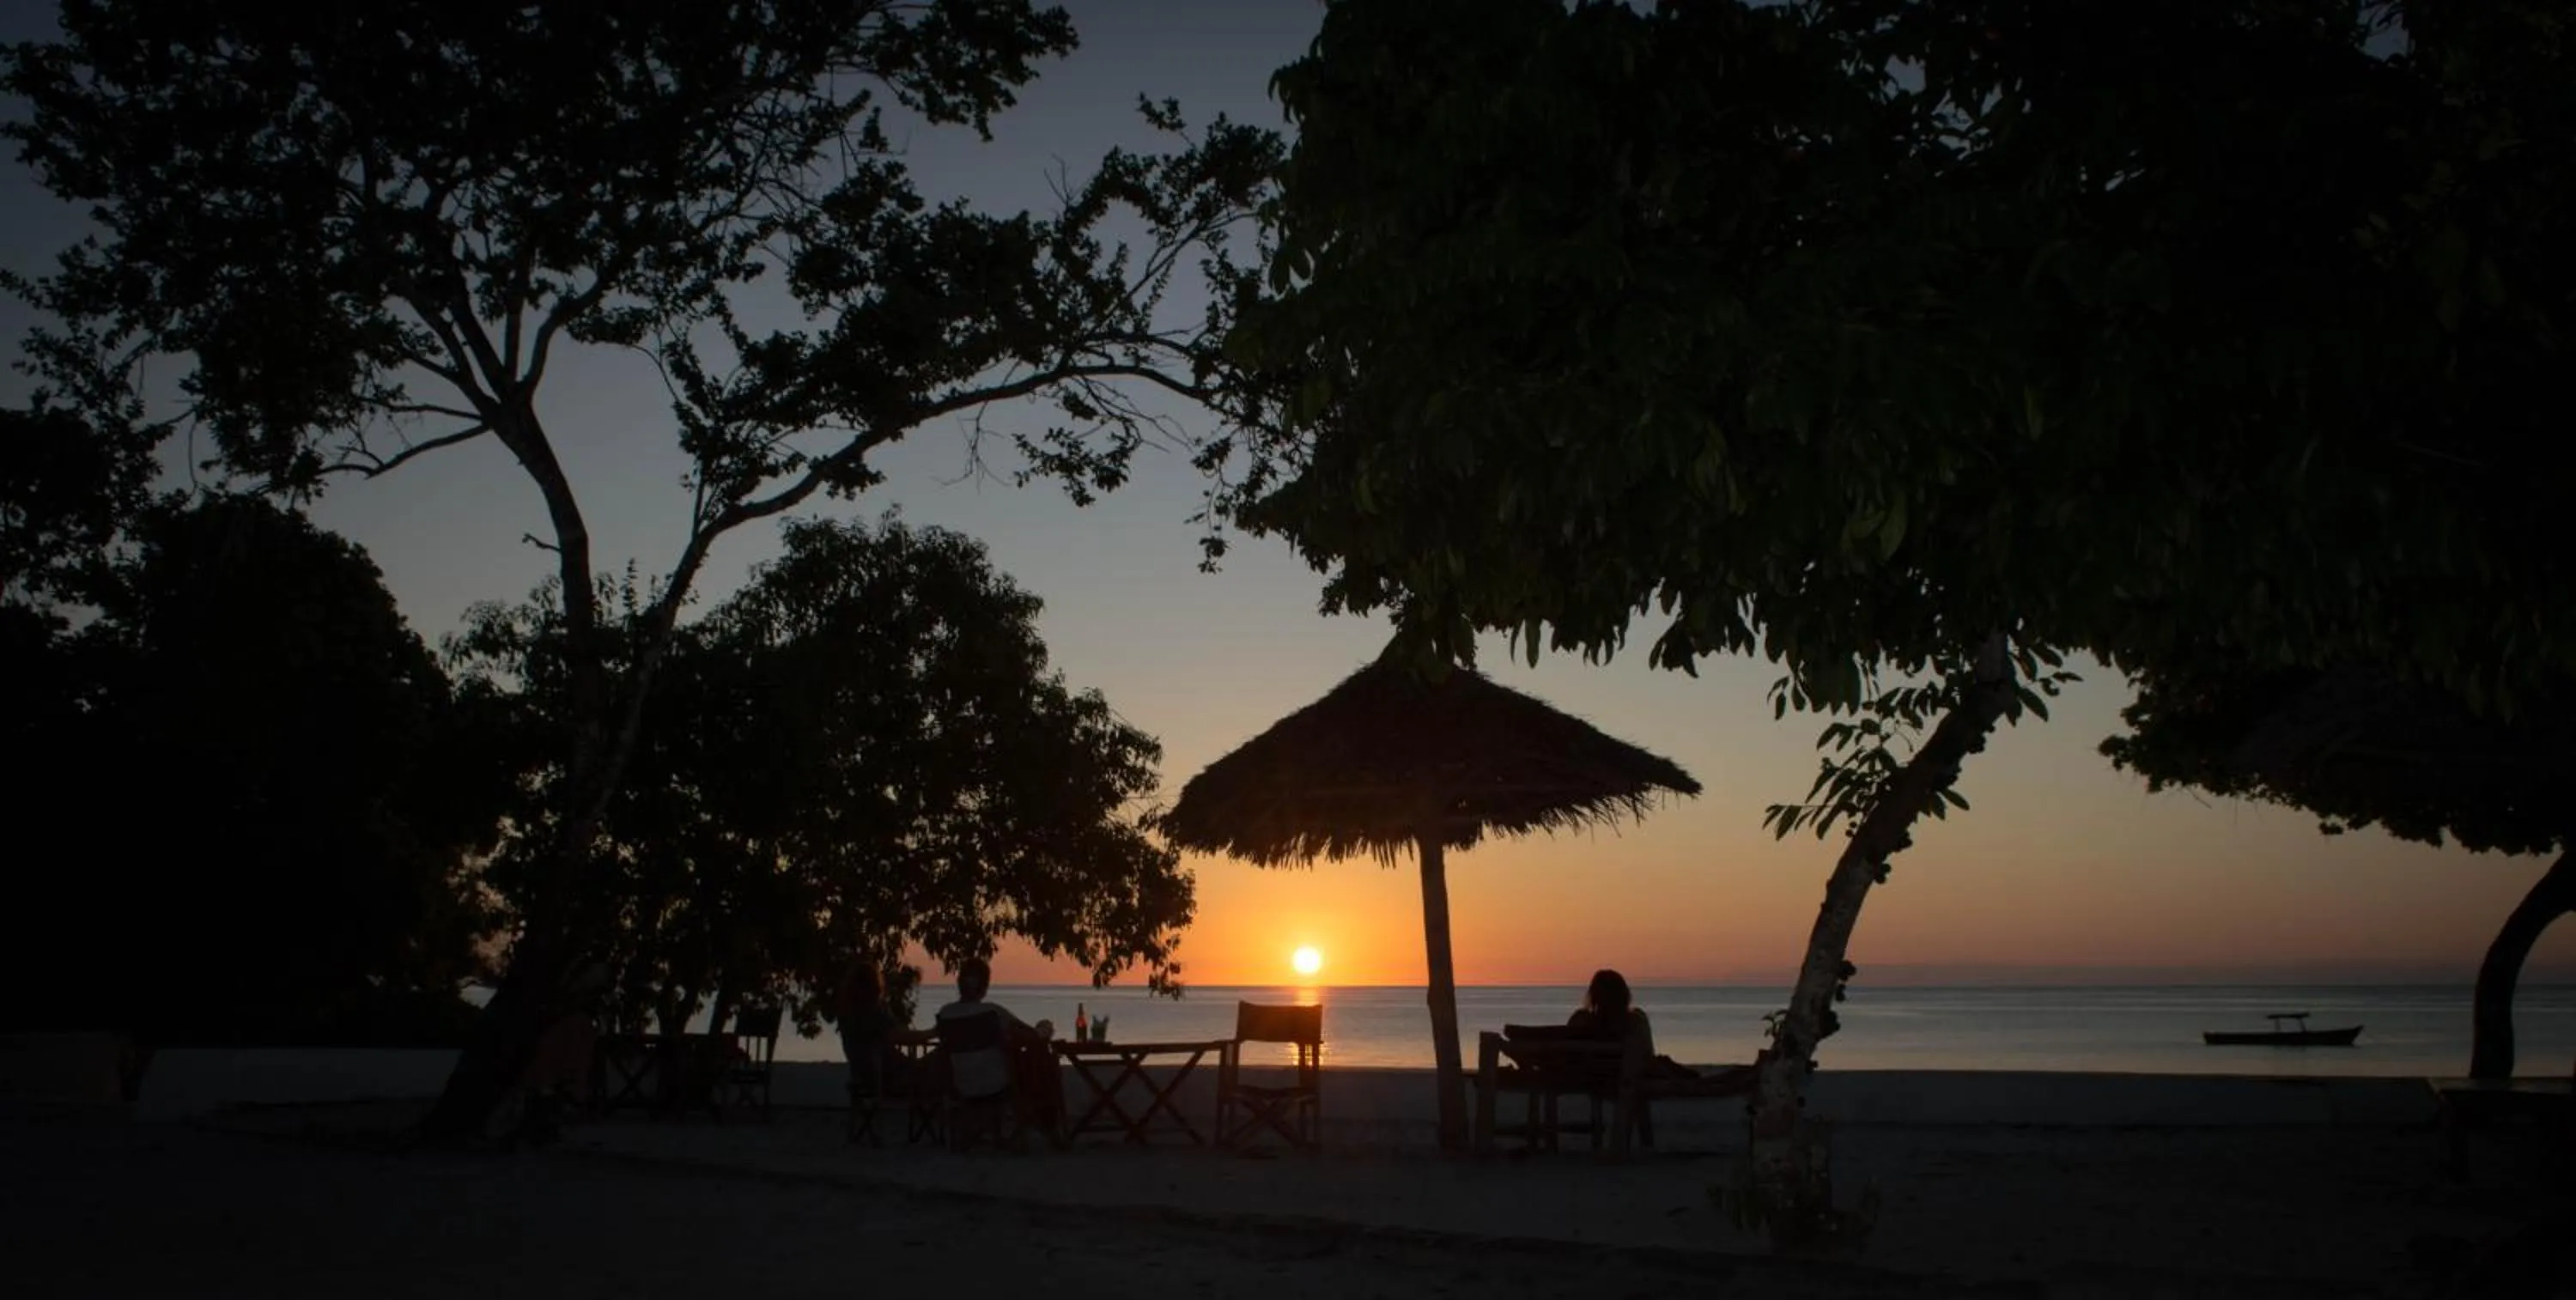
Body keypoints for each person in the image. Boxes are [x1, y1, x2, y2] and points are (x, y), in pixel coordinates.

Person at [933, 957, 1065, 1135]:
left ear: (959, 983)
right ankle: (1048, 1125)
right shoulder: (992, 1012)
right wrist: (1046, 1027)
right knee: (1042, 1055)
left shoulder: (946, 1014)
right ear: (985, 986)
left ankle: (1044, 1123)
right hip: (997, 1083)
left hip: (961, 1084)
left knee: (1034, 1055)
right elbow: (1031, 1035)